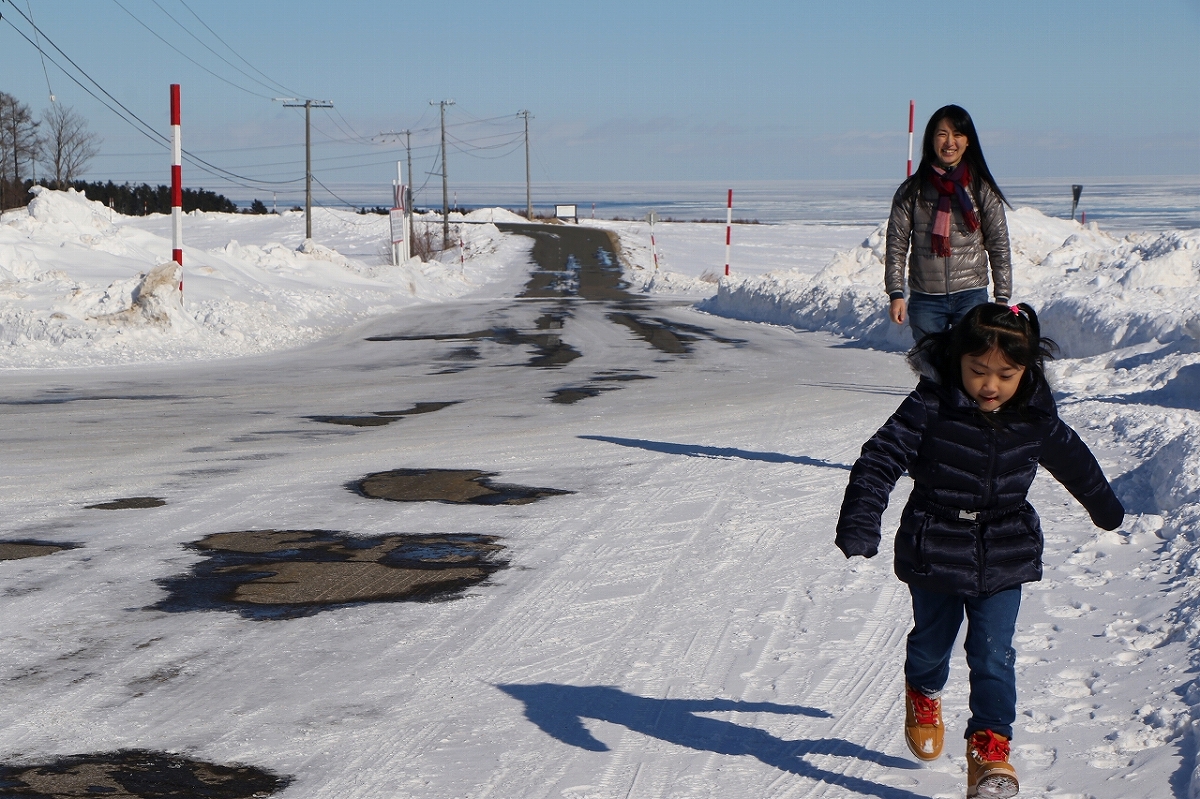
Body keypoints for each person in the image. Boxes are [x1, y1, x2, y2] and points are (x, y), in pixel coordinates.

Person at [834, 303, 1124, 799]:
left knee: (993, 652)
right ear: (956, 360)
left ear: (1026, 371)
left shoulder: (1033, 415)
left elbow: (1074, 459)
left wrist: (1104, 506)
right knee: (932, 642)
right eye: (978, 371)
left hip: (1005, 547)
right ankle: (923, 690)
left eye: (1006, 375)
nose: (991, 385)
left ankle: (990, 749)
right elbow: (880, 457)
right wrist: (862, 520)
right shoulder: (930, 404)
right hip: (936, 545)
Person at [886, 105, 1013, 340]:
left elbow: (998, 243)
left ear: (968, 142)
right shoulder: (912, 190)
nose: (949, 142)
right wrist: (896, 294)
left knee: (968, 369)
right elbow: (897, 244)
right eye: (942, 134)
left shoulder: (981, 189)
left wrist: (1002, 297)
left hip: (971, 295)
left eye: (957, 134)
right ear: (932, 140)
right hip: (926, 298)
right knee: (931, 369)